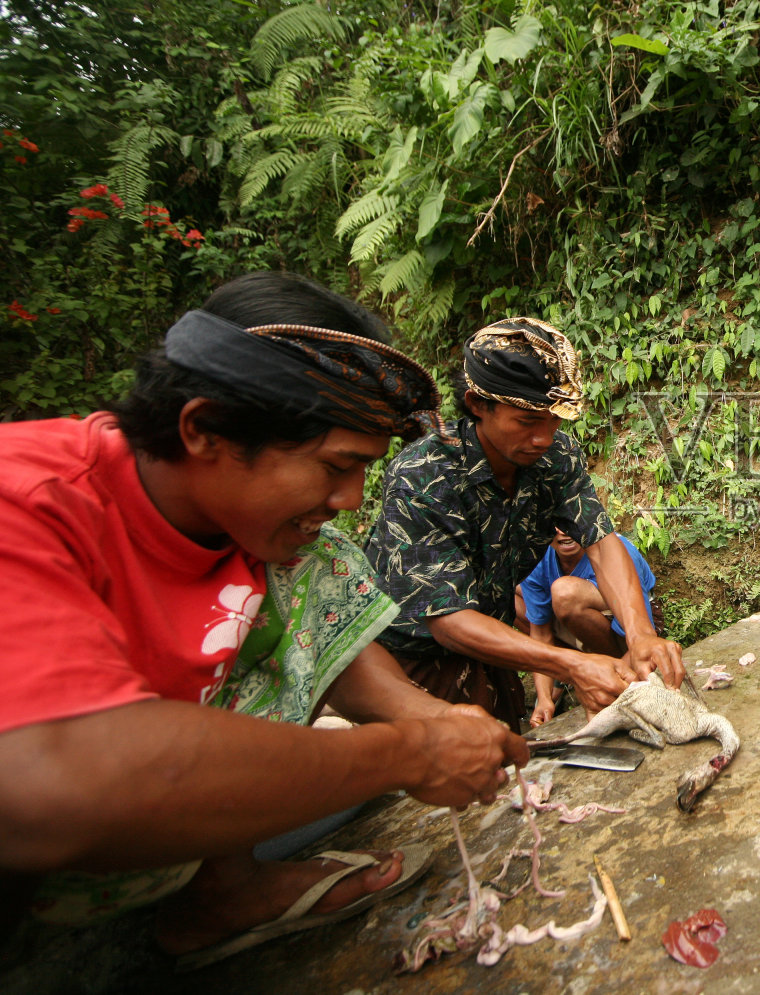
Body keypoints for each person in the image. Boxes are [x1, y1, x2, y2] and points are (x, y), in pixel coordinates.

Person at [0, 272, 526, 966]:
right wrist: (408, 754)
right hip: (39, 873)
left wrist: (435, 725)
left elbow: (340, 638)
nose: (350, 498)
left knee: (319, 553)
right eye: (337, 466)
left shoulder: (269, 526)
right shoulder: (30, 502)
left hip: (156, 837)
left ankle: (227, 889)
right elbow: (51, 785)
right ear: (204, 429)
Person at [367, 317, 683, 731]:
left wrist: (640, 633)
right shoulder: (423, 476)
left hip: (491, 648)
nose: (545, 438)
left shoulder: (555, 458)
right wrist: (573, 664)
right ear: (478, 405)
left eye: (554, 420)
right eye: (527, 422)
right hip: (412, 662)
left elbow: (601, 542)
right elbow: (449, 620)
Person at [516, 523, 659, 726]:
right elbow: (540, 634)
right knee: (515, 600)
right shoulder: (536, 556)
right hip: (578, 622)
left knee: (564, 593)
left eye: (567, 521)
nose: (563, 531)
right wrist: (544, 698)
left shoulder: (616, 550)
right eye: (553, 523)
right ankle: (567, 672)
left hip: (634, 624)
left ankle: (612, 670)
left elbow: (645, 634)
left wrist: (608, 685)